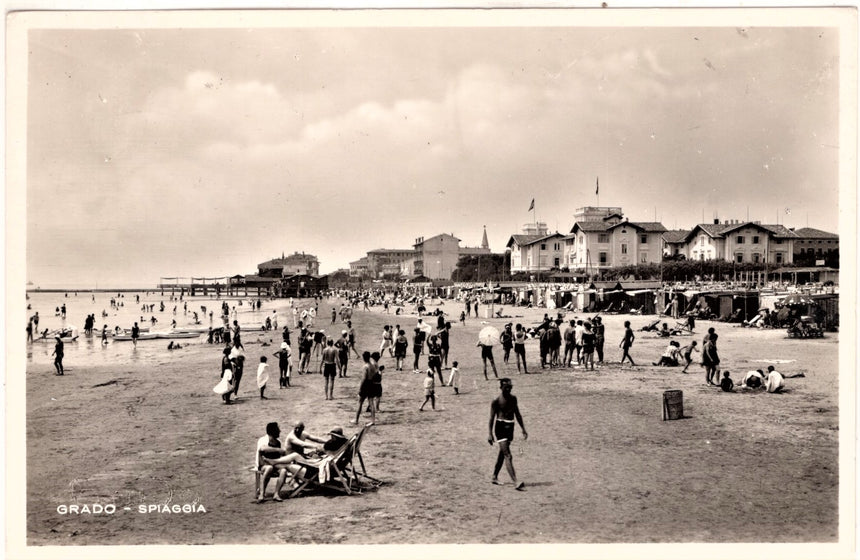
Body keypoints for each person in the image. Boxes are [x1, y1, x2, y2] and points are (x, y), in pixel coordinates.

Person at [488, 378, 527, 490]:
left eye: (510, 387)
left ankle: (494, 476)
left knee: (502, 453)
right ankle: (516, 481)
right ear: (501, 388)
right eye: (506, 388)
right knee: (508, 455)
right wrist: (490, 434)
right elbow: (491, 418)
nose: (508, 390)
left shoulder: (513, 399)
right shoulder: (496, 401)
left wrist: (523, 429)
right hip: (500, 427)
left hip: (510, 427)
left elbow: (518, 414)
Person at [353, 352, 378, 424]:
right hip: (371, 384)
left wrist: (360, 388)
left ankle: (356, 420)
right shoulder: (373, 366)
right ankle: (373, 420)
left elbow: (364, 378)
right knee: (371, 402)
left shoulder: (365, 366)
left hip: (366, 384)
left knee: (360, 402)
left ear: (364, 358)